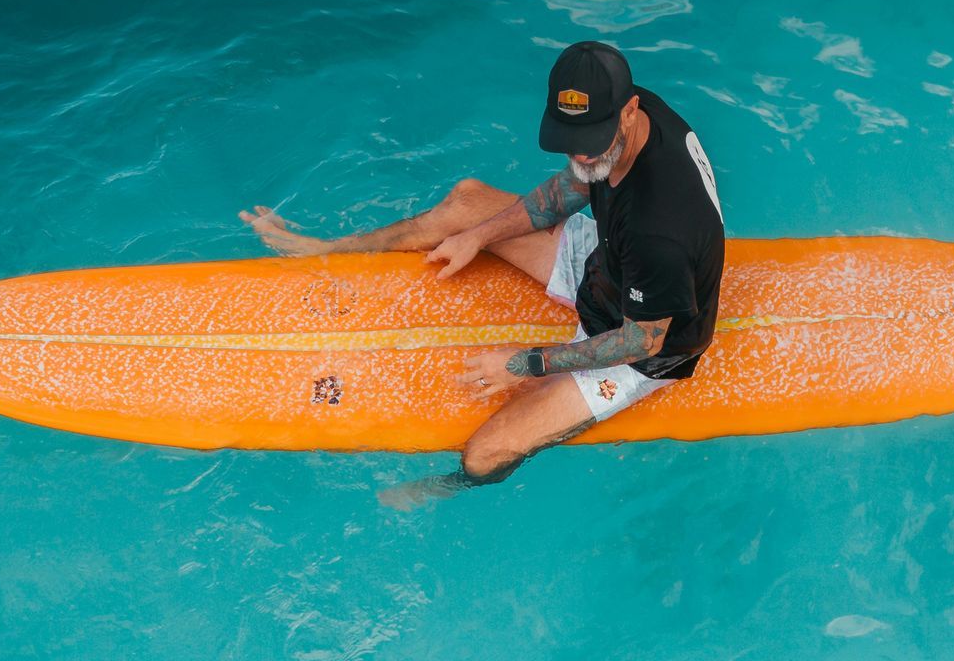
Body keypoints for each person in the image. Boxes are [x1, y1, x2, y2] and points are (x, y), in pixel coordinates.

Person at [240, 41, 724, 499]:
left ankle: (444, 489)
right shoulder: (618, 122)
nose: (581, 153)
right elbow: (573, 187)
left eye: (591, 142)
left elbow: (644, 340)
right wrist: (480, 234)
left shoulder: (660, 231)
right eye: (573, 139)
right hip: (610, 264)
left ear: (630, 110)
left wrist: (522, 364)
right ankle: (325, 249)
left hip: (642, 342)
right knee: (467, 203)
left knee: (484, 454)